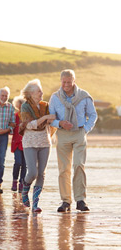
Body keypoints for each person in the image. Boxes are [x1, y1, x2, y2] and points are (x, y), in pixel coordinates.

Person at [49, 69, 97, 212]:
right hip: (62, 134)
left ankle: (80, 200)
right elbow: (51, 119)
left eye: (69, 82)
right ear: (61, 81)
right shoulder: (55, 97)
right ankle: (66, 201)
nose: (66, 85)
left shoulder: (84, 96)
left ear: (74, 81)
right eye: (64, 82)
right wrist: (60, 123)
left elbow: (93, 115)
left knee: (78, 165)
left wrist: (85, 129)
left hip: (79, 133)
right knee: (64, 169)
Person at [20, 79, 55, 212]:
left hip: (45, 143)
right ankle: (25, 190)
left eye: (41, 90)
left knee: (41, 173)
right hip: (30, 143)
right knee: (32, 172)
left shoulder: (45, 106)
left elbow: (52, 120)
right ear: (31, 93)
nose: (41, 93)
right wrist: (45, 118)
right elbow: (30, 125)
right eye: (38, 91)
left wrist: (50, 118)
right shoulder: (25, 107)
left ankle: (35, 204)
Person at [10, 96, 26, 193]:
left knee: (25, 165)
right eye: (19, 107)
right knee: (18, 162)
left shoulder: (27, 117)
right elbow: (10, 129)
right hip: (16, 143)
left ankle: (22, 183)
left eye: (22, 107)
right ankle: (15, 181)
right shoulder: (15, 116)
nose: (21, 109)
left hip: (27, 143)